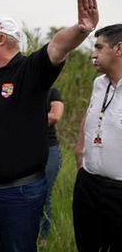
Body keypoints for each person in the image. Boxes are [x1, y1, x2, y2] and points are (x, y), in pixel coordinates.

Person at [0, 0, 99, 252]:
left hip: (16, 195)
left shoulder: (29, 71)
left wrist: (81, 30)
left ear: (1, 39)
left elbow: (57, 47)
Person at [73, 24, 122, 252]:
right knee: (88, 244)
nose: (93, 54)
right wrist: (80, 149)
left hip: (118, 191)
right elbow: (91, 113)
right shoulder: (99, 84)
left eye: (99, 47)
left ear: (119, 48)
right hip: (89, 185)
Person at [38, 87, 64, 247]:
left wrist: (25, 117)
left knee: (44, 194)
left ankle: (43, 238)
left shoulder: (51, 92)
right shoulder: (21, 91)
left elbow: (55, 116)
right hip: (23, 150)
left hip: (49, 150)